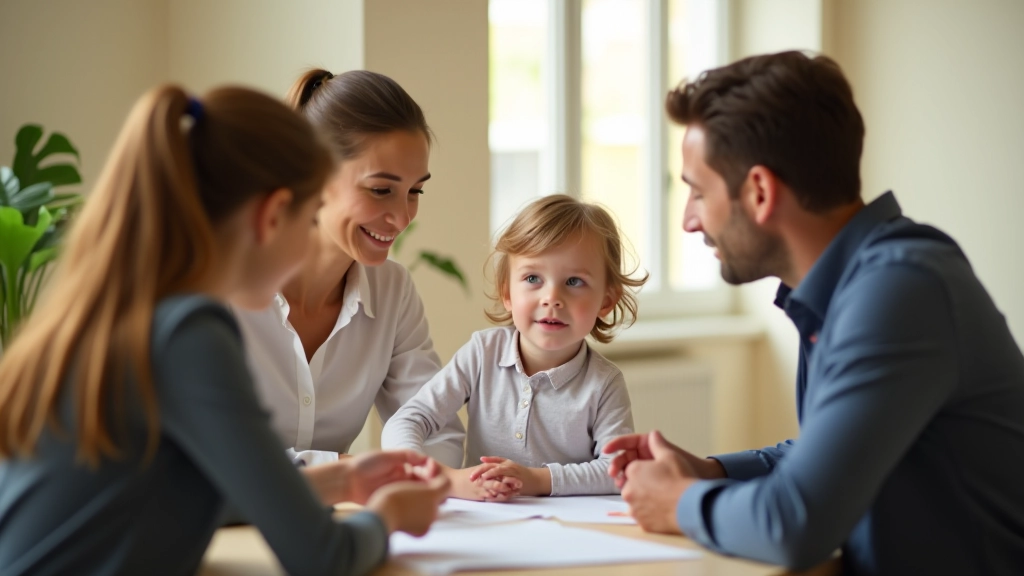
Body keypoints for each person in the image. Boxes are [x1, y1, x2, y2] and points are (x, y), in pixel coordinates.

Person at [0, 85, 449, 576]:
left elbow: (197, 495)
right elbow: (324, 557)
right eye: (307, 223)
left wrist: (343, 482)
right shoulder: (189, 333)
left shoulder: (139, 310)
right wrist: (389, 516)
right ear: (272, 216)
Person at [603, 51, 1024, 575]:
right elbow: (826, 456)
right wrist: (708, 472)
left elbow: (794, 523)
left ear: (760, 192)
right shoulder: (852, 284)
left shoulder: (899, 290)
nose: (689, 220)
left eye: (698, 192)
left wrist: (678, 502)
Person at [233, 69, 465, 469]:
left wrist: (411, 472)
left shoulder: (392, 291)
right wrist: (347, 470)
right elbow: (207, 457)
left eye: (415, 191)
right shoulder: (222, 282)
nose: (402, 217)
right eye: (381, 190)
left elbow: (436, 428)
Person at [382, 194, 646, 500]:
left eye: (574, 281)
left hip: (568, 522)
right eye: (533, 278)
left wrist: (535, 480)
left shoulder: (604, 383)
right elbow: (408, 420)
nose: (551, 298)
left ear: (606, 301)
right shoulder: (482, 352)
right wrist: (440, 477)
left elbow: (617, 470)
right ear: (507, 292)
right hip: (482, 514)